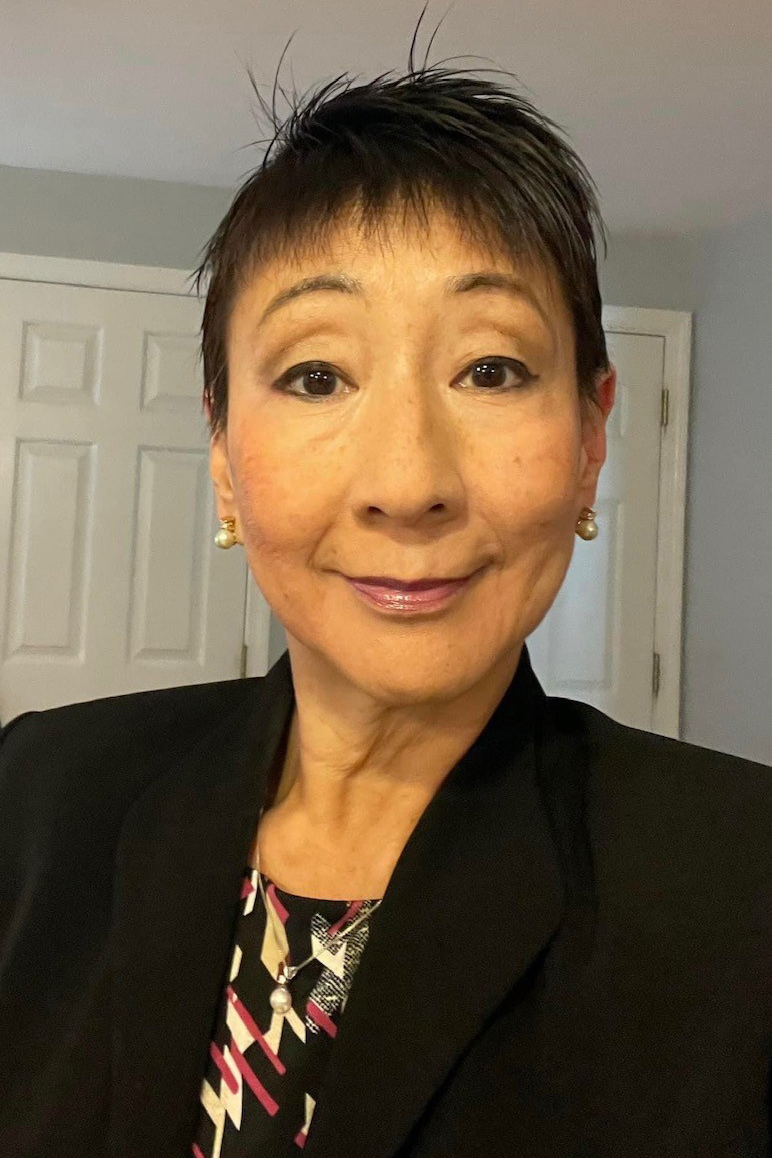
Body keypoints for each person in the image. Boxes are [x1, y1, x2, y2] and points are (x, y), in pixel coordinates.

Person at [1, 52, 770, 1158]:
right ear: (223, 451)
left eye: (492, 369)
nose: (408, 484)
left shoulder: (739, 889)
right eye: (316, 376)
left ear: (592, 437)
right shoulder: (36, 794)